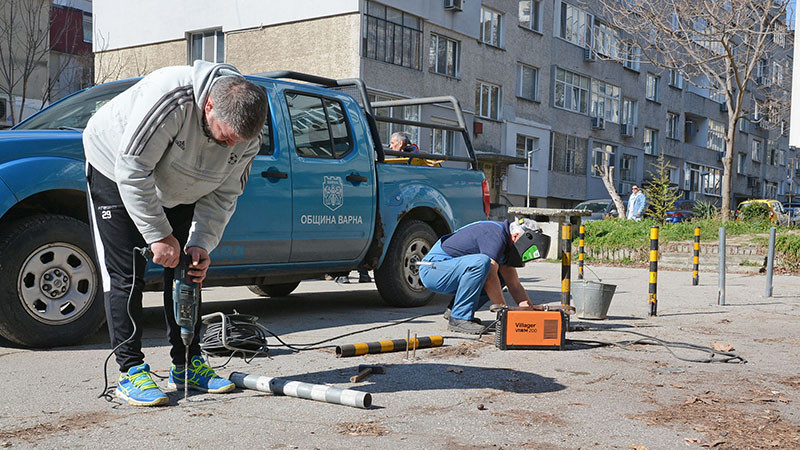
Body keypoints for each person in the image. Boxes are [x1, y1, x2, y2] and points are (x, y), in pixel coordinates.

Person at [83, 61, 268, 407]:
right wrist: (157, 234)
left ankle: (186, 364)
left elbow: (225, 194)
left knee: (187, 270)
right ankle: (130, 370)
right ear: (208, 105)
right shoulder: (171, 97)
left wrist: (201, 242)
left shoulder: (245, 137)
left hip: (179, 181)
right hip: (116, 166)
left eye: (238, 141)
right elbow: (132, 169)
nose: (231, 146)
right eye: (226, 135)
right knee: (126, 275)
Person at [418, 218, 543, 334]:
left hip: (447, 271)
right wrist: (505, 315)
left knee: (500, 275)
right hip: (433, 270)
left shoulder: (505, 246)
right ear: (515, 236)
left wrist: (530, 314)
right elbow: (489, 276)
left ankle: (455, 311)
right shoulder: (495, 234)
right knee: (483, 264)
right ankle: (459, 318)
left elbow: (514, 285)